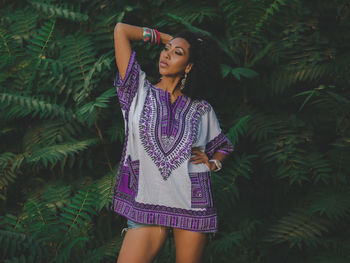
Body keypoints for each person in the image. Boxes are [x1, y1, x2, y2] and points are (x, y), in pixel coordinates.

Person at [110, 22, 234, 263]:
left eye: (177, 53)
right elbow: (121, 30)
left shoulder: (201, 109)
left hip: (191, 204)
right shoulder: (137, 90)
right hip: (145, 202)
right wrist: (169, 38)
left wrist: (214, 164)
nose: (166, 54)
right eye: (166, 49)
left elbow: (223, 146)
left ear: (188, 67)